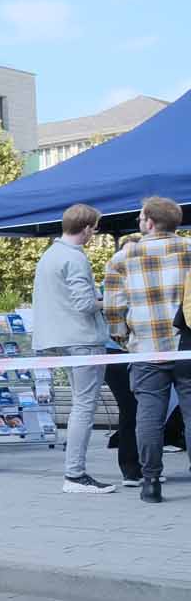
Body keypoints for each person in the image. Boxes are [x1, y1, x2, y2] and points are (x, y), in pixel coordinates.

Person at [103, 196, 191, 503]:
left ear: (149, 222)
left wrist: (124, 340)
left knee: (148, 415)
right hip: (187, 345)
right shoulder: (189, 249)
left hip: (146, 347)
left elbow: (114, 309)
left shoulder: (123, 258)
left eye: (141, 218)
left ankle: (150, 481)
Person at [31, 203, 117, 494]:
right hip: (83, 340)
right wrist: (112, 302)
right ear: (87, 228)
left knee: (79, 408)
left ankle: (75, 473)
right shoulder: (75, 259)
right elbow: (84, 304)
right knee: (84, 408)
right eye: (95, 228)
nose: (95, 233)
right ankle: (75, 475)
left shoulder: (49, 255)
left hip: (60, 340)